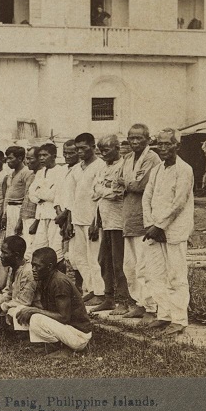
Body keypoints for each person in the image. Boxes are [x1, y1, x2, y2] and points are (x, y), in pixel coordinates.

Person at [141, 128, 195, 337]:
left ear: (177, 146)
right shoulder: (157, 169)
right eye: (160, 144)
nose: (163, 148)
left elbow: (178, 203)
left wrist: (161, 226)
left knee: (176, 276)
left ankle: (179, 320)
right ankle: (164, 314)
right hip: (154, 230)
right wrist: (150, 225)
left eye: (167, 144)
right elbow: (147, 197)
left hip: (174, 231)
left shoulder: (185, 170)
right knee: (155, 274)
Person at [15, 247, 93, 357]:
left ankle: (65, 349)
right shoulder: (43, 278)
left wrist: (34, 310)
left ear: (50, 266)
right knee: (22, 310)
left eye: (38, 266)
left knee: (36, 317)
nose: (33, 269)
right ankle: (49, 345)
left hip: (79, 335)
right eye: (32, 265)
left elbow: (64, 317)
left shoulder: (59, 282)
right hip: (66, 329)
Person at [121, 124, 162, 320]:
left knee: (145, 266)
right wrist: (128, 184)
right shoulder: (128, 158)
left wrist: (127, 184)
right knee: (130, 266)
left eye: (139, 138)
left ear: (148, 139)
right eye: (131, 138)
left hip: (143, 218)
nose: (134, 142)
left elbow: (141, 185)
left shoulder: (152, 158)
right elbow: (118, 182)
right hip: (128, 218)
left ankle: (151, 307)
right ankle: (138, 302)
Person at [91, 134, 128, 314]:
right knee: (104, 260)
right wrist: (104, 189)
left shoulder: (124, 166)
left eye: (106, 150)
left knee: (118, 262)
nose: (103, 154)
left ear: (117, 148)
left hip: (119, 221)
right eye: (101, 151)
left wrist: (102, 190)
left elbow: (117, 193)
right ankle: (109, 298)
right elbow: (95, 190)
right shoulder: (102, 168)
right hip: (105, 221)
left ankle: (123, 301)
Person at [69, 133, 104, 305]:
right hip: (78, 218)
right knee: (79, 257)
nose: (80, 151)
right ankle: (90, 289)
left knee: (94, 257)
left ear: (93, 146)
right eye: (78, 149)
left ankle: (100, 292)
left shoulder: (100, 166)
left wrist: (96, 222)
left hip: (93, 220)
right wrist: (70, 219)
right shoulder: (77, 168)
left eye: (84, 148)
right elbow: (72, 196)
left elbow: (100, 197)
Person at [0, 235, 41, 331]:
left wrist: (1, 307)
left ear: (16, 255)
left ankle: (24, 334)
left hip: (33, 309)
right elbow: (9, 291)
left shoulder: (28, 272)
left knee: (13, 311)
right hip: (18, 303)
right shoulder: (13, 268)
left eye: (5, 253)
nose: (1, 256)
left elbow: (24, 302)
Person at [28, 143, 66, 267]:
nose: (42, 158)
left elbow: (55, 195)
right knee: (39, 248)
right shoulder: (40, 172)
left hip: (54, 216)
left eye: (45, 155)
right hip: (42, 215)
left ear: (54, 156)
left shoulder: (61, 171)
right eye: (40, 155)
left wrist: (41, 192)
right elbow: (32, 194)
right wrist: (43, 194)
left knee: (56, 250)